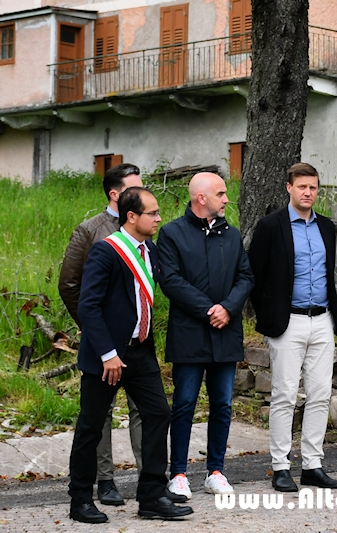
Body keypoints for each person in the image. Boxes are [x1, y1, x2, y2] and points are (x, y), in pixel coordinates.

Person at [68, 187, 193, 523]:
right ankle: (80, 499)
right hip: (106, 358)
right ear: (131, 216)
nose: (159, 218)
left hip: (140, 354)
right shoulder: (105, 252)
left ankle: (152, 495)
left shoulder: (147, 249)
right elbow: (88, 306)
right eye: (152, 213)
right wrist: (108, 353)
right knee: (91, 427)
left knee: (158, 415)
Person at [158, 173, 254, 499]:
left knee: (223, 405)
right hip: (190, 335)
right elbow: (169, 280)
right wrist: (208, 309)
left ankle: (216, 470)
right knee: (184, 404)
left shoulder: (232, 235)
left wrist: (227, 308)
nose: (226, 199)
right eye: (221, 193)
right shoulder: (172, 233)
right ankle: (179, 474)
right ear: (202, 198)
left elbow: (245, 276)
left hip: (225, 335)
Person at [248, 163, 337, 492]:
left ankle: (313, 464)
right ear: (288, 187)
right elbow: (254, 277)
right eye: (302, 186)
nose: (308, 192)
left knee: (320, 394)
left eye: (313, 187)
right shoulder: (271, 226)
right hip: (287, 322)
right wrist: (271, 315)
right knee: (285, 395)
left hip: (322, 320)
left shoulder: (326, 227)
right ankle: (280, 466)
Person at [58, 163, 144, 506]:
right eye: (136, 188)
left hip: (138, 342)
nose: (144, 193)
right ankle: (105, 481)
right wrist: (92, 327)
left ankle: (149, 478)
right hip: (102, 343)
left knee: (144, 409)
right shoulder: (89, 230)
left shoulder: (143, 227)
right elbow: (69, 283)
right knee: (100, 413)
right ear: (115, 194)